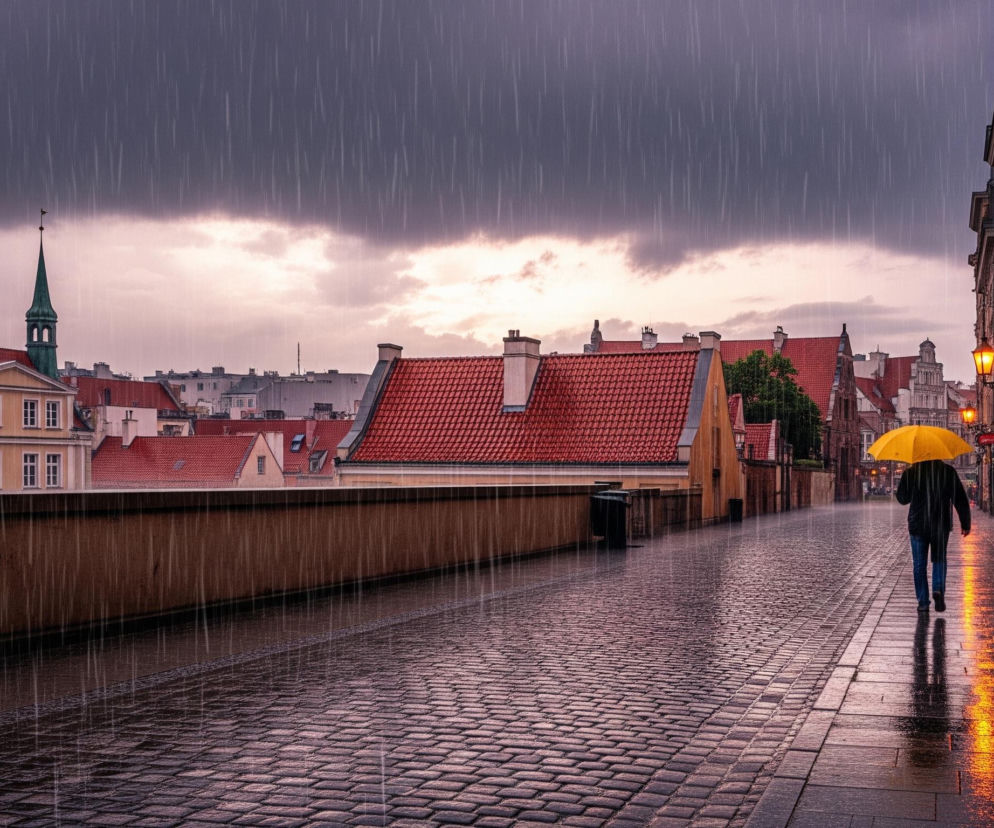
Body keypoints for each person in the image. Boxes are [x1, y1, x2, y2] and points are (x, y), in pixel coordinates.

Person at [895, 459, 971, 613]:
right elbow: (960, 498)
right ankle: (938, 589)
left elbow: (902, 499)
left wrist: (908, 482)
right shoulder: (947, 471)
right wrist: (965, 523)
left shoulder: (912, 472)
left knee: (919, 564)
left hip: (918, 524)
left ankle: (923, 602)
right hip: (939, 523)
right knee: (939, 559)